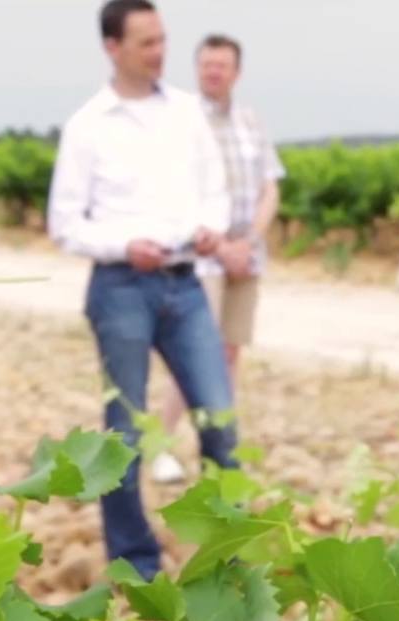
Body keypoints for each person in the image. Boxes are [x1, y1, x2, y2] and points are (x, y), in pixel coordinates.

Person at [47, 0, 237, 579]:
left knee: (219, 420)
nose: (160, 52)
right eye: (146, 43)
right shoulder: (88, 125)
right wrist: (125, 245)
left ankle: (225, 553)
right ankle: (137, 564)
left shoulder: (187, 113)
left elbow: (216, 191)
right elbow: (65, 223)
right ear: (113, 47)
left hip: (185, 284)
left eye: (162, 40)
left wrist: (212, 227)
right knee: (124, 433)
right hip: (121, 286)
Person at [152, 34, 285, 484]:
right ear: (196, 69)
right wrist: (222, 245)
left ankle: (219, 449)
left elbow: (271, 186)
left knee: (230, 351)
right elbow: (176, 192)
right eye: (206, 64)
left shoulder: (251, 120)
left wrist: (248, 241)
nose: (214, 72)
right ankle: (163, 447)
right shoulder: (183, 121)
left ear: (236, 72)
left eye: (222, 65)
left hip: (247, 256)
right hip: (202, 257)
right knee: (192, 352)